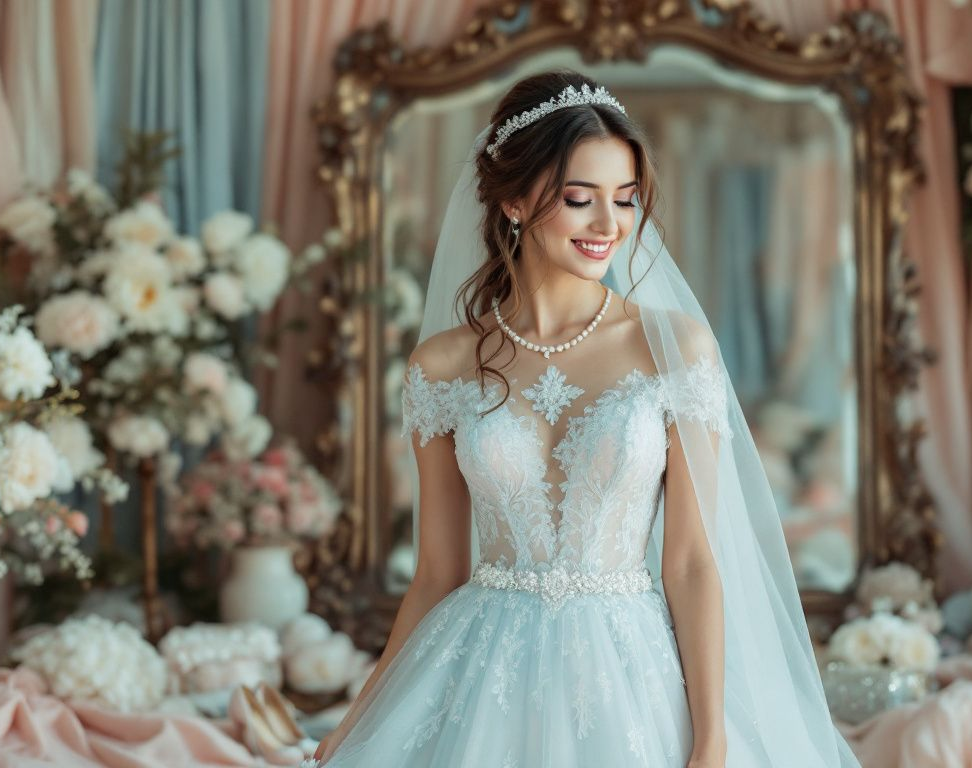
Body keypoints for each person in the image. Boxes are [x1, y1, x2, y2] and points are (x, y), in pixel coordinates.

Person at [310, 69, 858, 767]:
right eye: (580, 199)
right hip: (481, 675)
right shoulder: (441, 367)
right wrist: (361, 716)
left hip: (632, 681)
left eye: (626, 200)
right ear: (512, 200)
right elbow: (436, 574)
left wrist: (712, 740)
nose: (610, 226)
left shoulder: (674, 350)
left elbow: (691, 563)